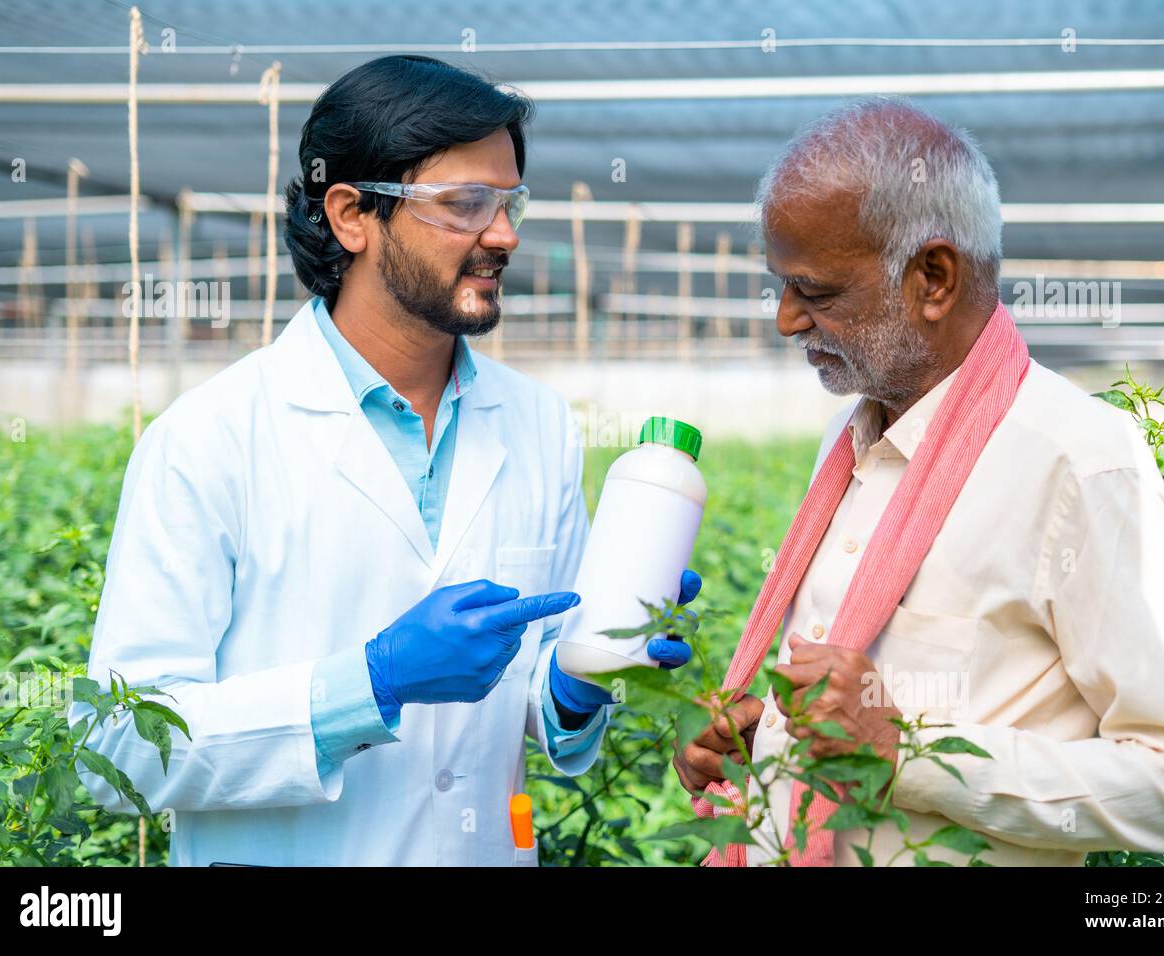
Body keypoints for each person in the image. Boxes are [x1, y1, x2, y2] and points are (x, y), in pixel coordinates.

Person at [71, 55, 699, 866]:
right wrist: (367, 686)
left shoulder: (539, 424)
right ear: (352, 214)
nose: (502, 234)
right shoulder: (207, 440)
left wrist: (581, 683)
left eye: (508, 202)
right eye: (466, 204)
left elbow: (533, 698)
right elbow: (118, 744)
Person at [672, 98, 1164, 866]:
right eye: (780, 283)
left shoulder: (1074, 460)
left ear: (933, 278)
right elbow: (853, 701)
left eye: (816, 291)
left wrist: (908, 755)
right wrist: (768, 735)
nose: (785, 319)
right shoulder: (848, 444)